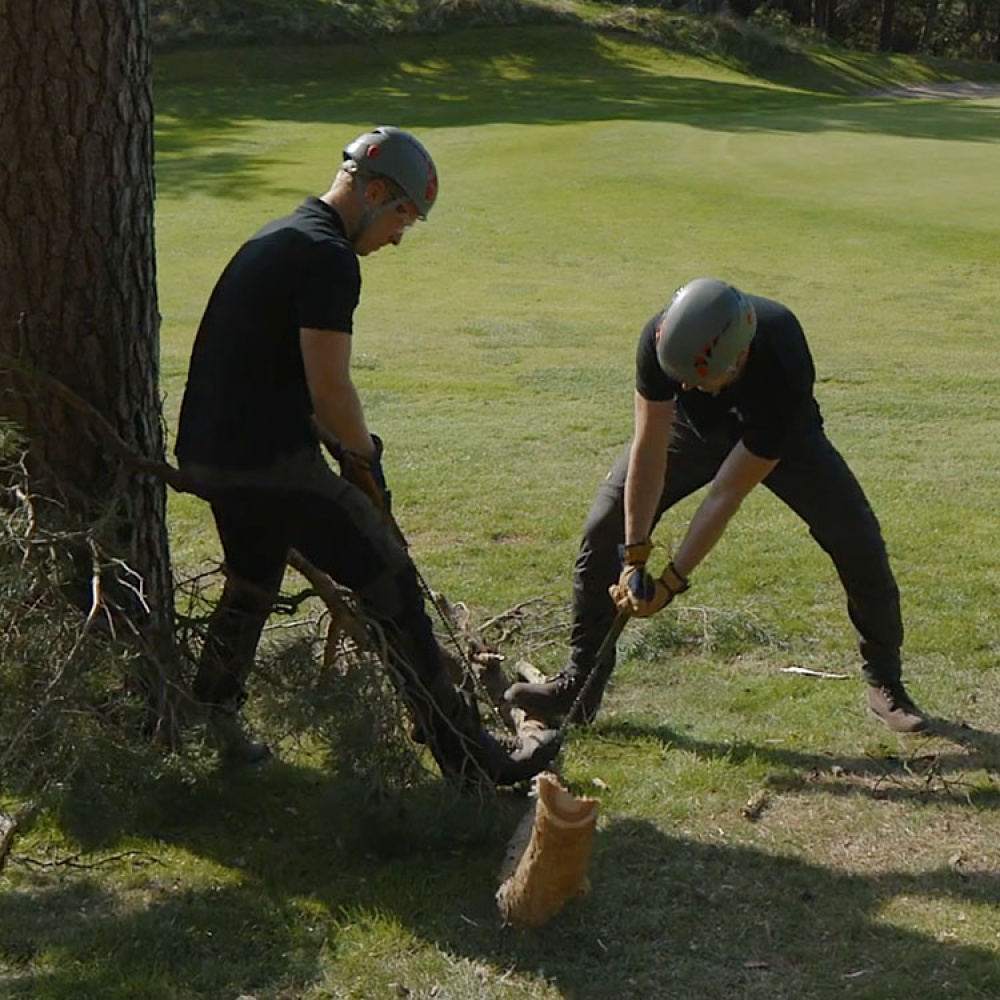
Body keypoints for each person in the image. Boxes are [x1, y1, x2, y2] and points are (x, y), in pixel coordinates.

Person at [175, 126, 559, 785]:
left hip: (211, 455)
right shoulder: (328, 257)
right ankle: (474, 759)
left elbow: (279, 373)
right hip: (269, 461)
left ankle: (207, 726)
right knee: (392, 583)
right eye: (403, 217)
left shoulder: (281, 236)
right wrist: (363, 461)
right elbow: (330, 388)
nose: (400, 236)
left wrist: (348, 451)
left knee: (251, 584)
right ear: (376, 193)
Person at [506, 278, 926, 734]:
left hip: (780, 435)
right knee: (603, 525)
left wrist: (671, 581)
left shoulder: (782, 355)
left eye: (699, 378)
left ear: (739, 356)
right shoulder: (661, 340)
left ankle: (885, 681)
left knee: (856, 539)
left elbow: (725, 494)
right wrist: (634, 555)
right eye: (680, 376)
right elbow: (649, 449)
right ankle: (580, 687)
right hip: (691, 430)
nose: (686, 384)